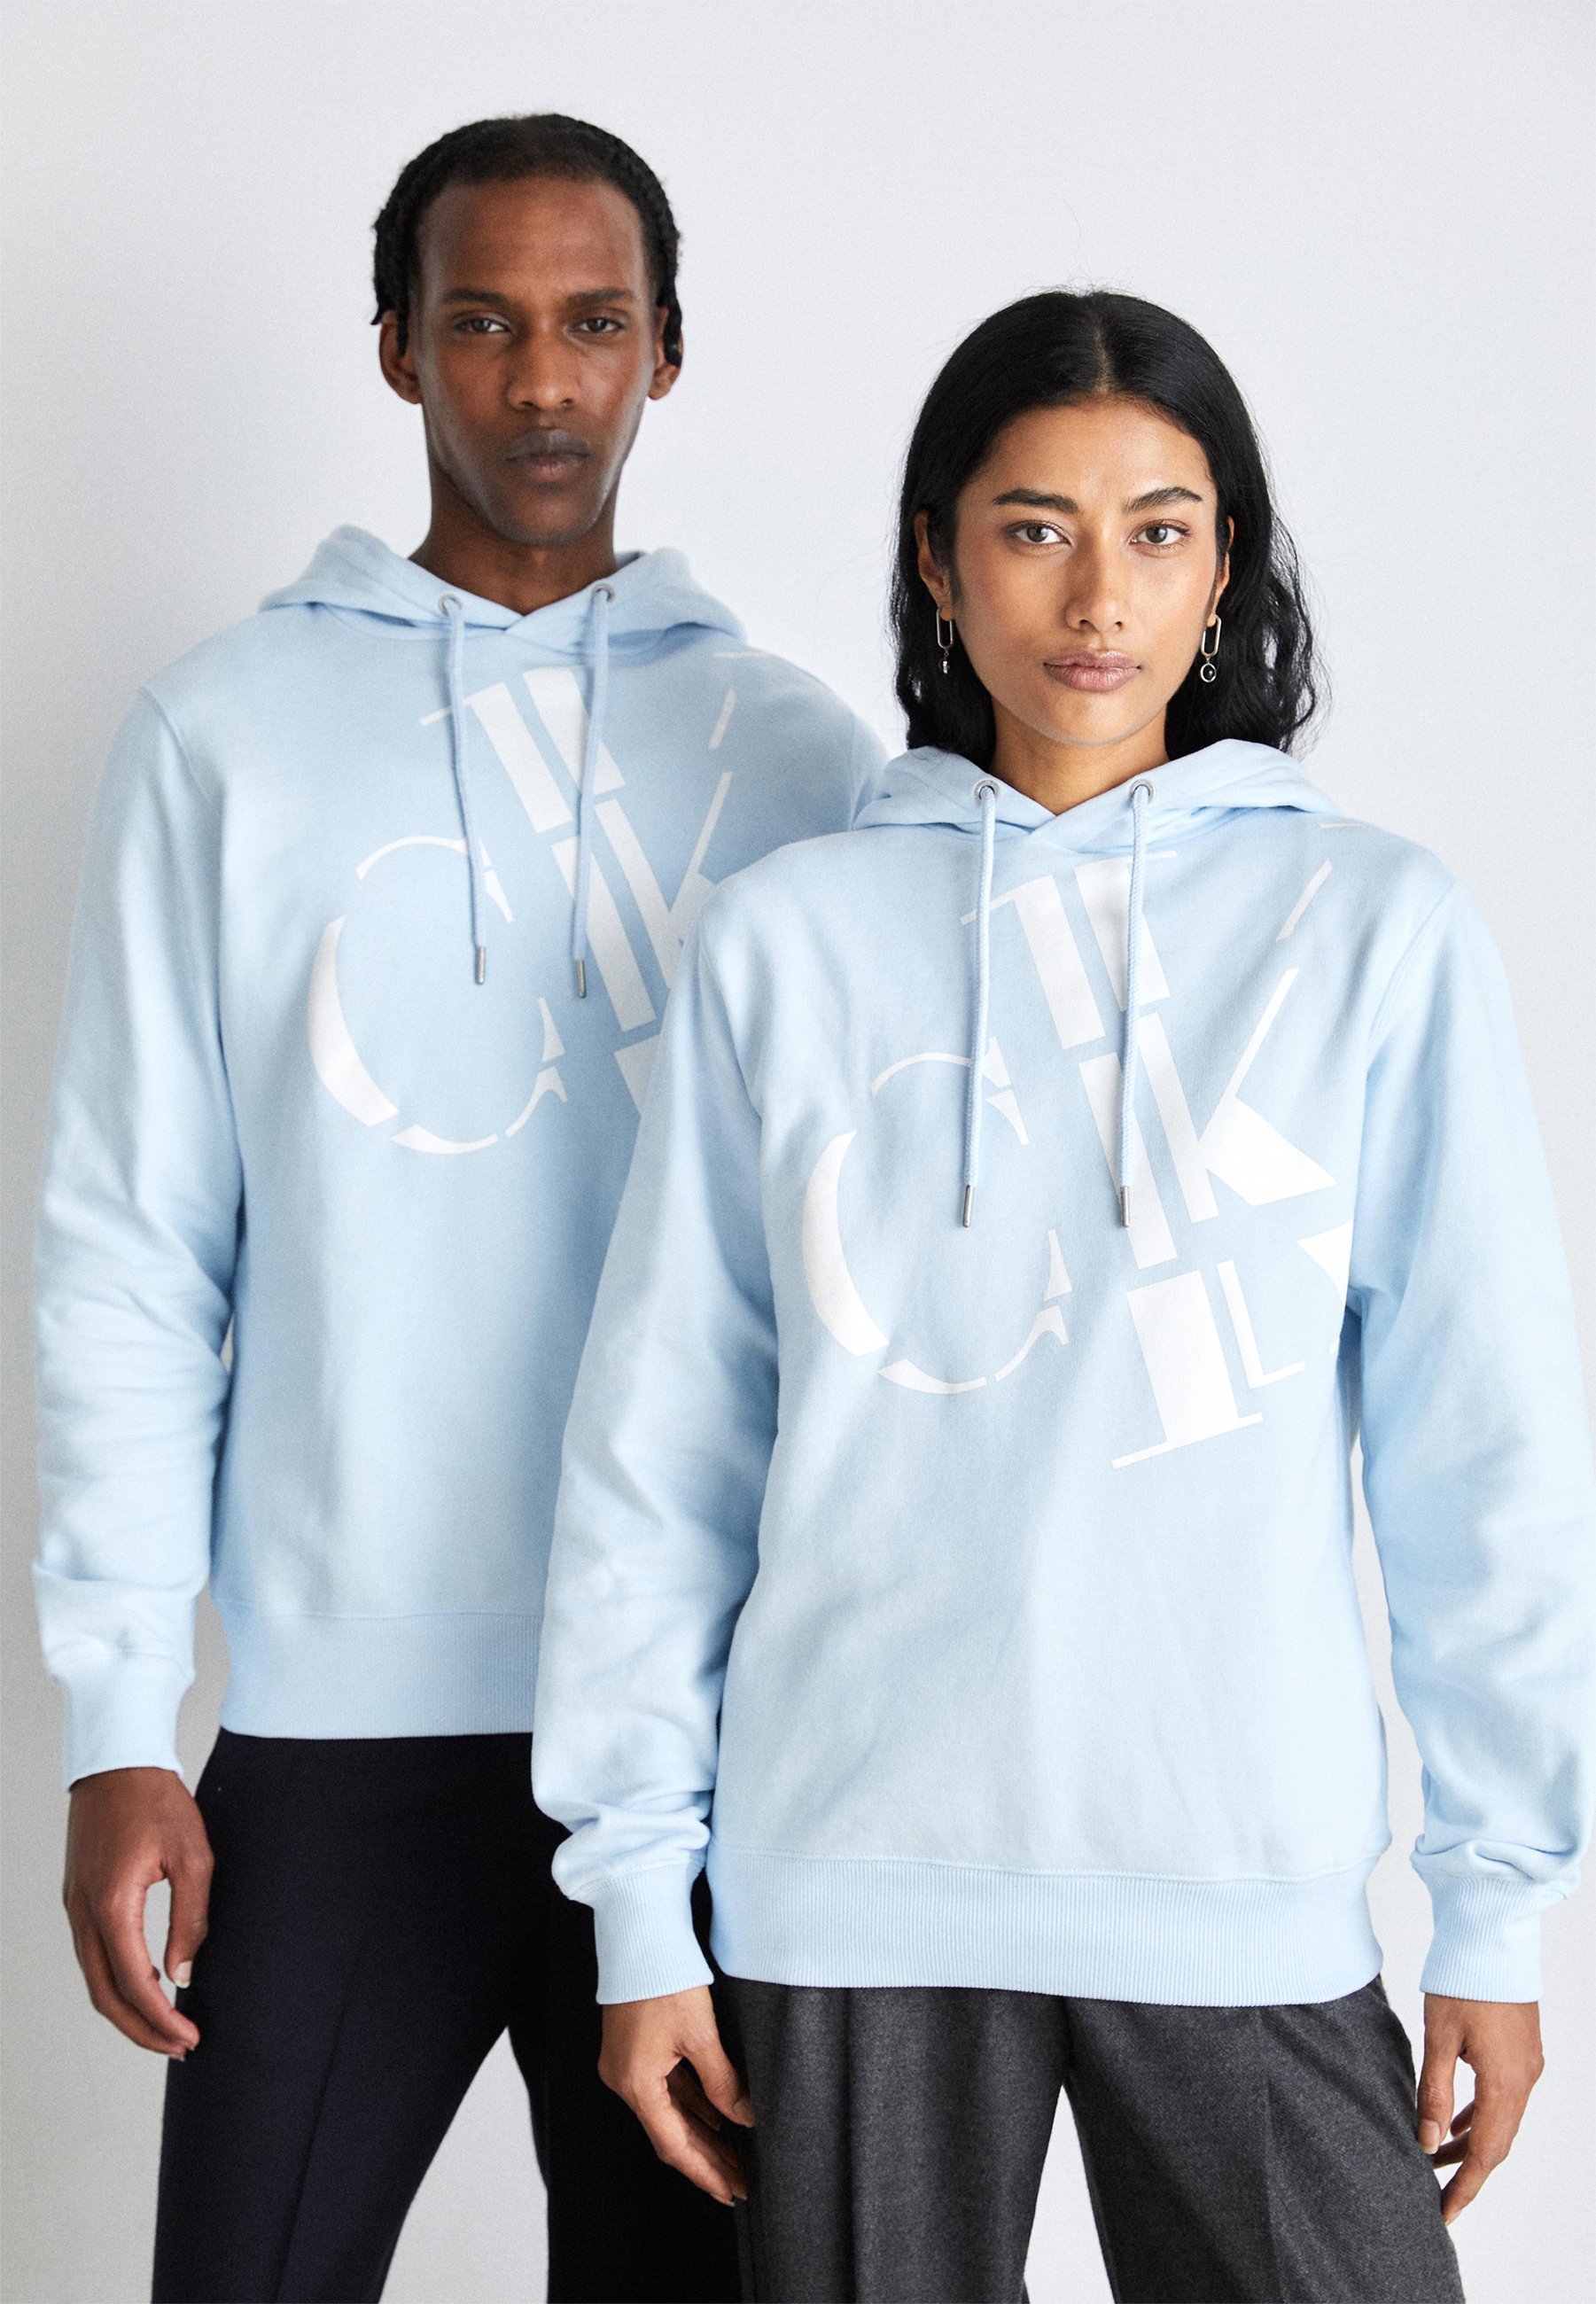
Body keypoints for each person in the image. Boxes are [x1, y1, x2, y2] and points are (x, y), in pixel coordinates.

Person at [531, 289, 1596, 2302]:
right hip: (847, 1883)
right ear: (937, 561)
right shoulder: (787, 941)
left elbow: (1485, 1450)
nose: (1098, 597)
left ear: (1224, 562)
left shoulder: (1369, 927)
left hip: (1235, 1873)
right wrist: (638, 1904)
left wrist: (1495, 1908)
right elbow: (665, 1444)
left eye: (1158, 529)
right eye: (1033, 528)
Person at [35, 113, 882, 2304]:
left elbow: (860, 1267)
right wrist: (121, 1715)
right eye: (483, 322)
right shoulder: (223, 736)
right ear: (398, 345)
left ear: (666, 352)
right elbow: (135, 1246)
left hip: (707, 1742)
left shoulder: (804, 764)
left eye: (593, 323)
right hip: (342, 1725)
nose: (540, 380)